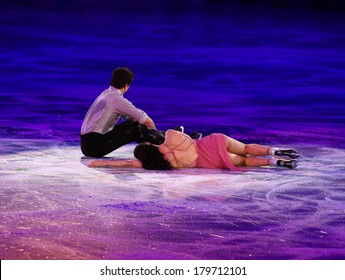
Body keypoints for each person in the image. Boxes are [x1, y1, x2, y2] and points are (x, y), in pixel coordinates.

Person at [89, 129, 299, 170]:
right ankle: (273, 151)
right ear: (149, 144)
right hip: (210, 142)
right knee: (245, 148)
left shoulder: (162, 163)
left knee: (242, 161)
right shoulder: (171, 134)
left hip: (207, 161)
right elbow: (185, 135)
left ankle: (273, 163)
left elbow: (126, 163)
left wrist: (101, 162)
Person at [80, 67, 169, 158]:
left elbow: (132, 119)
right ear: (127, 85)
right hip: (94, 146)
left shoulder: (106, 94)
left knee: (134, 124)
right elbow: (147, 121)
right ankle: (168, 142)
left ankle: (165, 135)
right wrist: (155, 135)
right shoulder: (116, 99)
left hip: (87, 144)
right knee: (136, 128)